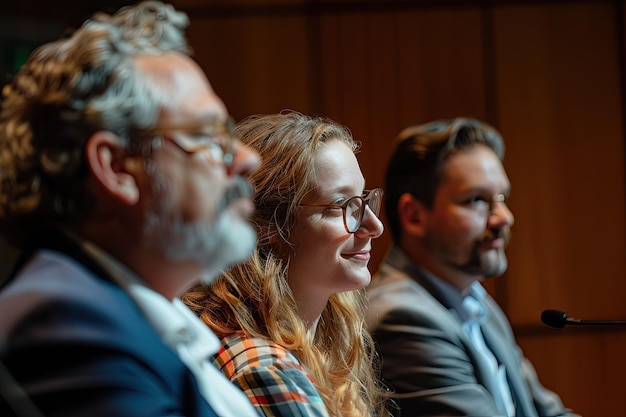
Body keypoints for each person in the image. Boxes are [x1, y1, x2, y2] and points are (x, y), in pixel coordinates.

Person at [0, 2, 264, 417]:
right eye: (206, 135)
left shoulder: (132, 313)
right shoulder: (68, 324)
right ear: (118, 167)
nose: (247, 159)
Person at [183, 110, 391, 417]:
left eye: (363, 199)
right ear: (267, 229)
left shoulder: (317, 343)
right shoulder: (264, 369)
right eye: (340, 205)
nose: (374, 227)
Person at [366, 118, 578, 417]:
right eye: (477, 200)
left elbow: (549, 412)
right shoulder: (402, 318)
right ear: (414, 215)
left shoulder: (476, 303)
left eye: (502, 197)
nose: (504, 217)